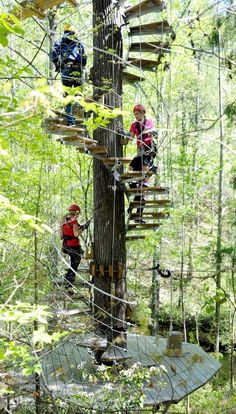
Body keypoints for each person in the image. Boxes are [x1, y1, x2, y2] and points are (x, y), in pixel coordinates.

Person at [51, 24, 87, 126]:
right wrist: (81, 67)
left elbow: (53, 54)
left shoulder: (60, 41)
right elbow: (84, 57)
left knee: (67, 95)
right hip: (78, 70)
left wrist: (57, 65)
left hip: (67, 68)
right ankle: (81, 119)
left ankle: (70, 121)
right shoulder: (79, 43)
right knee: (78, 95)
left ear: (65, 31)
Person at [60, 204, 89, 294]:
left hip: (65, 246)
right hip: (73, 246)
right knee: (74, 264)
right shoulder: (74, 221)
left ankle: (68, 280)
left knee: (74, 262)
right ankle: (69, 284)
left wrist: (81, 226)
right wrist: (83, 228)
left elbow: (61, 235)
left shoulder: (63, 220)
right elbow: (76, 234)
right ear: (76, 212)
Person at [129, 104, 158, 173]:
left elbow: (155, 136)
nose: (136, 116)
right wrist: (124, 134)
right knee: (132, 167)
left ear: (143, 113)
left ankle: (150, 171)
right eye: (135, 114)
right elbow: (130, 138)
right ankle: (137, 182)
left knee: (144, 165)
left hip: (149, 147)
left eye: (137, 114)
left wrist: (152, 131)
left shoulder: (149, 122)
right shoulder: (134, 125)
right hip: (140, 148)